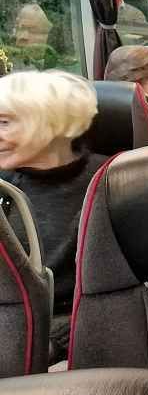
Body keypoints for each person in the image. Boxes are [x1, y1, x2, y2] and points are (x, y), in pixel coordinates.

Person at [0, 71, 103, 363]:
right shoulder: (3, 182)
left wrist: (52, 341)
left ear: (52, 122)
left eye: (4, 122)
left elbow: (115, 299)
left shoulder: (107, 185)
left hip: (71, 344)